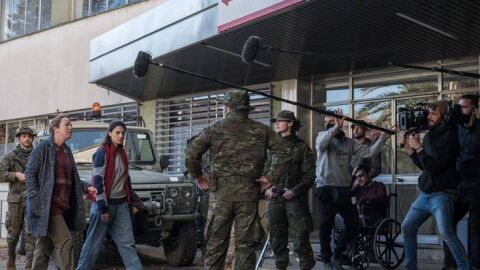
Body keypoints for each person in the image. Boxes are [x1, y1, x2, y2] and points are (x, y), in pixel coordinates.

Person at [185, 90, 292, 270]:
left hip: (220, 196)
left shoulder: (214, 128)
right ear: (246, 109)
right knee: (245, 248)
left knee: (216, 246)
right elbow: (286, 152)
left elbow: (191, 155)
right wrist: (269, 178)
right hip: (248, 195)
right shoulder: (262, 130)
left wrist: (198, 176)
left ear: (228, 107)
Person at [315, 110, 391, 270]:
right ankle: (327, 259)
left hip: (343, 190)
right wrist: (334, 127)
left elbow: (369, 152)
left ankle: (338, 254)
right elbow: (322, 144)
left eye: (334, 120)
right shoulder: (322, 136)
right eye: (328, 121)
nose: (330, 123)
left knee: (353, 223)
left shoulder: (349, 142)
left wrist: (382, 139)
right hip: (326, 189)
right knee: (325, 226)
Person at [399, 100, 469, 270]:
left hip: (442, 194)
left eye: (434, 113)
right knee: (407, 227)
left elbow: (435, 167)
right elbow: (426, 167)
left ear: (444, 117)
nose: (428, 116)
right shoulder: (430, 135)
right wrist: (411, 152)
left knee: (446, 234)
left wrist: (419, 148)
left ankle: (463, 267)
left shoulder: (450, 136)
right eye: (429, 112)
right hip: (426, 194)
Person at [25, 115, 97, 270]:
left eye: (71, 125)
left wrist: (86, 187)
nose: (70, 127)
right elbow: (30, 173)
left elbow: (73, 177)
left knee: (44, 249)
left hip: (63, 206)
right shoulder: (43, 148)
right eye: (67, 125)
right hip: (48, 207)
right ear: (55, 128)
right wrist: (36, 198)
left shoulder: (67, 150)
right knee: (66, 242)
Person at [76, 120, 143, 270]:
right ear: (109, 133)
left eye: (123, 133)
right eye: (117, 132)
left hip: (121, 206)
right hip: (103, 206)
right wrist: (103, 208)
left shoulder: (123, 153)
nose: (120, 136)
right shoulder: (102, 152)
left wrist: (133, 201)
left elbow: (126, 180)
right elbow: (98, 181)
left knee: (128, 244)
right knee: (93, 245)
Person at [264, 110, 316, 270]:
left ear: (291, 123)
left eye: (280, 121)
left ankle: (306, 266)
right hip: (275, 199)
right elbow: (265, 171)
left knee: (300, 238)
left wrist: (294, 191)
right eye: (276, 121)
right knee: (277, 239)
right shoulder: (272, 147)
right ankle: (281, 267)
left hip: (295, 200)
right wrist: (268, 188)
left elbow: (309, 176)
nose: (277, 124)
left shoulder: (302, 147)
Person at [443, 94, 480, 270]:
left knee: (475, 227)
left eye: (464, 107)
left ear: (474, 109)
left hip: (477, 186)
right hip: (458, 185)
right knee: (448, 224)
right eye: (458, 107)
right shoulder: (455, 128)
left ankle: (474, 265)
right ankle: (449, 264)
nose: (460, 111)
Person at [0, 127, 37, 269]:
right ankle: (11, 259)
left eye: (29, 136)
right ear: (19, 138)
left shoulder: (37, 154)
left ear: (32, 138)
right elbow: (1, 173)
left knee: (31, 234)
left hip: (33, 198)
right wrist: (16, 175)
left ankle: (29, 266)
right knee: (13, 234)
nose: (27, 139)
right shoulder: (11, 155)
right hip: (15, 200)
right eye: (24, 136)